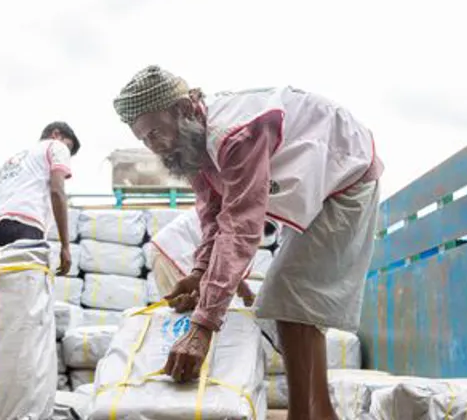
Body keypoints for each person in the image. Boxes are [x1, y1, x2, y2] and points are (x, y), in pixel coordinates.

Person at [113, 66, 383, 420]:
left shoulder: (235, 135)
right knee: (295, 304)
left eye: (155, 132)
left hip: (346, 173)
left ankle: (303, 416)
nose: (153, 145)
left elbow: (240, 228)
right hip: (317, 186)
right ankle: (321, 413)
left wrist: (202, 327)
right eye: (143, 139)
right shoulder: (193, 148)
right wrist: (199, 273)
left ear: (182, 109)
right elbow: (214, 218)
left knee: (288, 296)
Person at [0, 122, 80, 274]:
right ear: (56, 134)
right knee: (27, 283)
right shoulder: (56, 146)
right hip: (25, 225)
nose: (67, 154)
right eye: (68, 146)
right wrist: (65, 246)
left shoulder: (14, 160)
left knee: (4, 283)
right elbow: (57, 192)